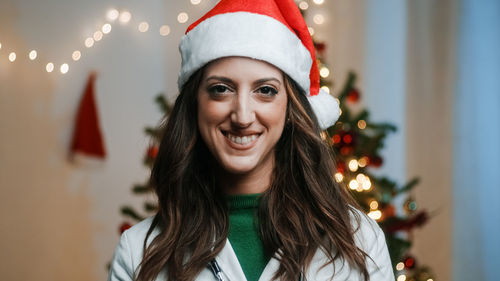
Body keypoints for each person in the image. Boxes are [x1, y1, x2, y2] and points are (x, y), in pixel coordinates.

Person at [108, 0, 394, 280]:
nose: (242, 116)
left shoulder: (360, 241)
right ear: (195, 104)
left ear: (290, 107)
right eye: (221, 89)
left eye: (266, 90)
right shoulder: (138, 252)